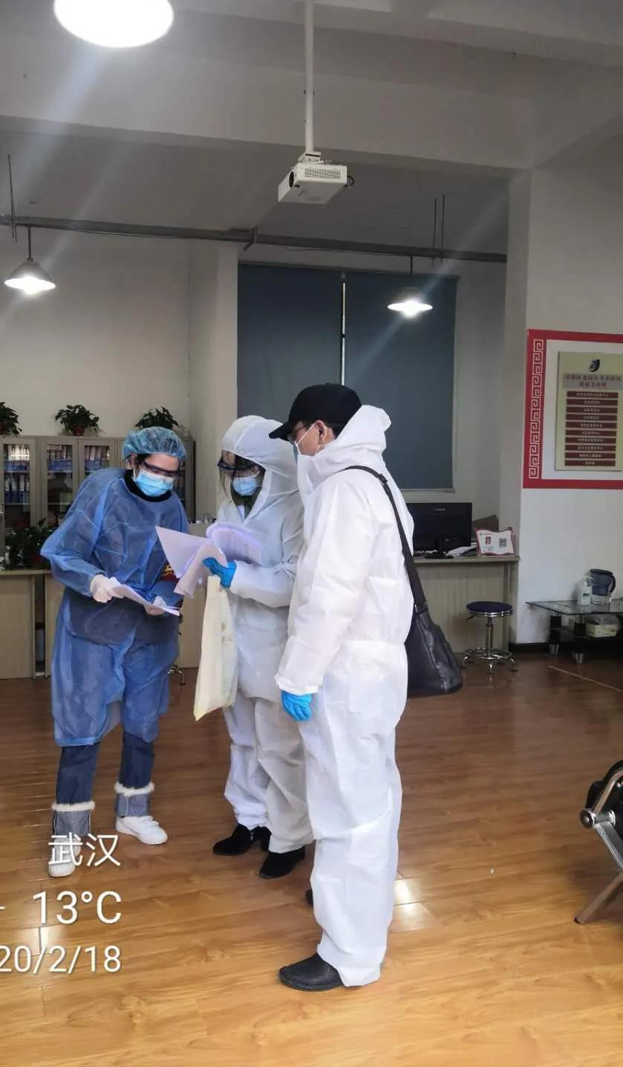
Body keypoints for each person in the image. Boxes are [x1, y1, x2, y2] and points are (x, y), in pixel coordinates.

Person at [267, 384, 414, 992]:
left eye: (297, 435)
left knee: (345, 812)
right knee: (373, 805)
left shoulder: (343, 489)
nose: (297, 448)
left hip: (343, 673)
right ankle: (363, 927)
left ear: (322, 430)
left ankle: (349, 954)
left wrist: (298, 676)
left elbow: (329, 596)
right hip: (374, 671)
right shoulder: (379, 479)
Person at [41, 427, 188, 878]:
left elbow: (176, 565)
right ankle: (68, 833)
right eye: (154, 470)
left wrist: (168, 595)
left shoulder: (173, 506)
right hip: (94, 629)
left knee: (143, 723)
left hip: (149, 631)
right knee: (81, 728)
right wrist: (93, 580)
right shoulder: (103, 490)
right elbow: (64, 550)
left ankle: (133, 811)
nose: (162, 480)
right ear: (132, 461)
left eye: (171, 474)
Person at [203, 416, 312, 879]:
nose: (235, 479)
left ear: (269, 467)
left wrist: (239, 577)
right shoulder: (230, 508)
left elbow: (294, 582)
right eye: (228, 468)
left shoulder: (296, 510)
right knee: (243, 741)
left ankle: (289, 837)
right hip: (235, 640)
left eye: (242, 468)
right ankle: (250, 819)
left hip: (274, 645)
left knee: (279, 748)